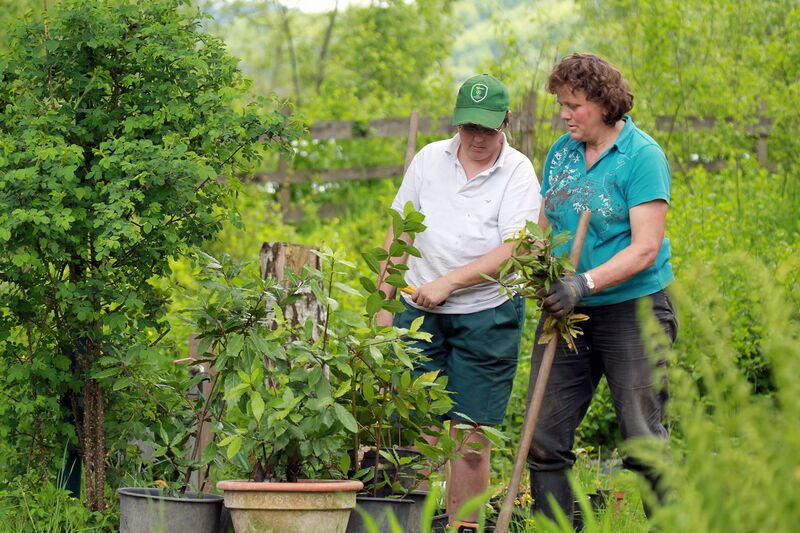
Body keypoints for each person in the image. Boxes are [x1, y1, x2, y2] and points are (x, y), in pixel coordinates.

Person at [376, 74, 541, 532]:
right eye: (469, 128)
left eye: (488, 129)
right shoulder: (430, 159)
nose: (478, 139)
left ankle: (464, 528)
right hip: (419, 314)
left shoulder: (519, 172)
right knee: (420, 429)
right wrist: (384, 298)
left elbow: (517, 249)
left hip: (487, 315)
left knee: (470, 436)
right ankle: (420, 523)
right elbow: (401, 227)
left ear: (506, 122)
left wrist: (450, 281)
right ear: (457, 123)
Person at [527, 52, 678, 524]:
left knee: (640, 435)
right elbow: (544, 223)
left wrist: (583, 282)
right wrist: (538, 266)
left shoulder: (642, 156)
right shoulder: (561, 153)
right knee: (544, 435)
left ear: (604, 102)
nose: (565, 114)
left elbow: (645, 248)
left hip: (633, 309)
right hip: (569, 312)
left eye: (574, 105)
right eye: (560, 105)